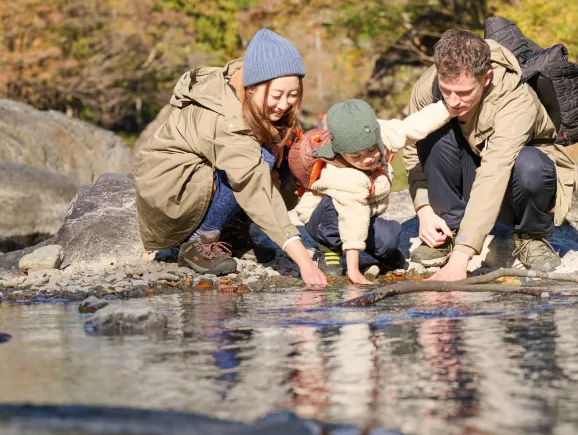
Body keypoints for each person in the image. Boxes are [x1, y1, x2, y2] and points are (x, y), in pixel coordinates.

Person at [135, 28, 328, 288]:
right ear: (252, 87)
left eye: (292, 96)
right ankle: (198, 242)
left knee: (288, 154)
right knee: (259, 159)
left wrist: (282, 140)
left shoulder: (247, 87)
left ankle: (233, 236)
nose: (284, 105)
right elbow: (253, 184)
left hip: (200, 179)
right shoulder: (228, 118)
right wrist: (304, 260)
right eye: (276, 96)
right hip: (171, 193)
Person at [404, 28, 578, 282]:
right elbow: (412, 153)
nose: (453, 101)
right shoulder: (427, 88)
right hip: (468, 175)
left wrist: (461, 258)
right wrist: (424, 209)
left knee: (531, 167)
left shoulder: (517, 101)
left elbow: (495, 172)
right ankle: (446, 229)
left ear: (486, 78)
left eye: (463, 93)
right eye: (446, 90)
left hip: (513, 185)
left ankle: (530, 235)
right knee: (431, 133)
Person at [294, 98, 450, 284]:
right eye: (356, 156)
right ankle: (329, 249)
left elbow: (415, 125)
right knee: (335, 211)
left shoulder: (382, 138)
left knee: (389, 239)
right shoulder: (344, 175)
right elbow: (353, 215)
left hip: (362, 213)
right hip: (321, 219)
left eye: (371, 150)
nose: (367, 159)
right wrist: (353, 270)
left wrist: (450, 107)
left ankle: (375, 249)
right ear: (342, 152)